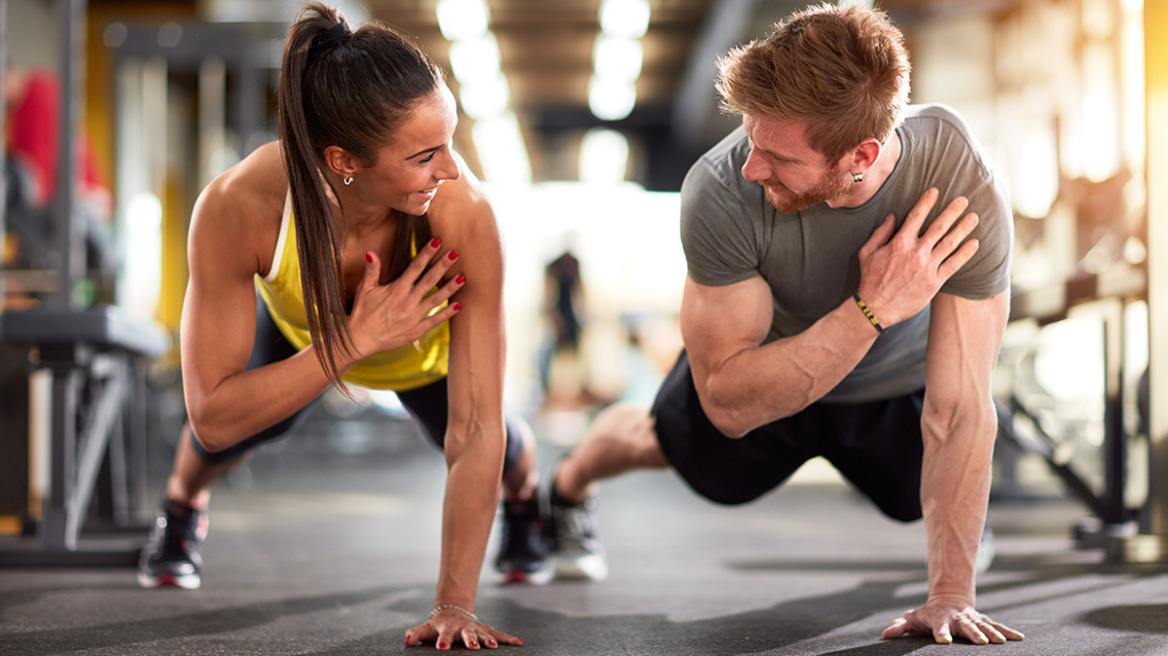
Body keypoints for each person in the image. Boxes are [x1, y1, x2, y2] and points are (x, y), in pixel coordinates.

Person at [545, 3, 1025, 646]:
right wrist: (871, 309)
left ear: (862, 153)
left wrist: (950, 594)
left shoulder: (959, 177)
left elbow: (961, 408)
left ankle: (959, 523)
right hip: (763, 374)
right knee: (661, 441)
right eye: (750, 139)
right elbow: (728, 407)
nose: (751, 166)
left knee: (932, 484)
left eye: (776, 155)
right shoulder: (718, 189)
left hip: (889, 389)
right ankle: (568, 487)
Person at [136, 4, 542, 649]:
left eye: (451, 142)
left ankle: (528, 505)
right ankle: (182, 505)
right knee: (231, 436)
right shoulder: (239, 205)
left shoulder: (464, 211)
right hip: (305, 333)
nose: (449, 168)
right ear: (343, 159)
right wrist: (354, 340)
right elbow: (211, 412)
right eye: (423, 155)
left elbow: (476, 427)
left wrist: (454, 604)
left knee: (502, 450)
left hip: (423, 348)